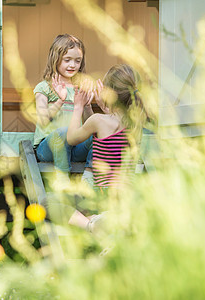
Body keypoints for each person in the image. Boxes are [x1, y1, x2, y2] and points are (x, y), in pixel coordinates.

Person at [66, 64, 146, 232]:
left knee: (48, 202)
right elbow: (109, 128)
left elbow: (72, 138)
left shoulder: (99, 121)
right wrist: (103, 108)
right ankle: (106, 218)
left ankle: (92, 224)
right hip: (125, 196)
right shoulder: (137, 124)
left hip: (102, 195)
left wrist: (79, 106)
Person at [33, 34, 94, 177]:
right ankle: (62, 180)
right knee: (63, 132)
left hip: (75, 147)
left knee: (97, 133)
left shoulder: (79, 89)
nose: (72, 65)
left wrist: (87, 106)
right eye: (67, 60)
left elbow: (90, 123)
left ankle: (90, 177)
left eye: (77, 61)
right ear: (56, 59)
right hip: (47, 148)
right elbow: (43, 120)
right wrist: (60, 101)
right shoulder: (44, 88)